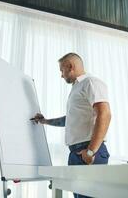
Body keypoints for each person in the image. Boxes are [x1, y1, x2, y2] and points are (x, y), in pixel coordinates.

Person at [31, 53, 111, 198]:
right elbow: (70, 120)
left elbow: (104, 114)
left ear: (71, 67)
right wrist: (45, 121)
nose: (61, 75)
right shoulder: (77, 87)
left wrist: (91, 152)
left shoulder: (90, 82)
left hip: (89, 152)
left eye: (62, 70)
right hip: (77, 153)